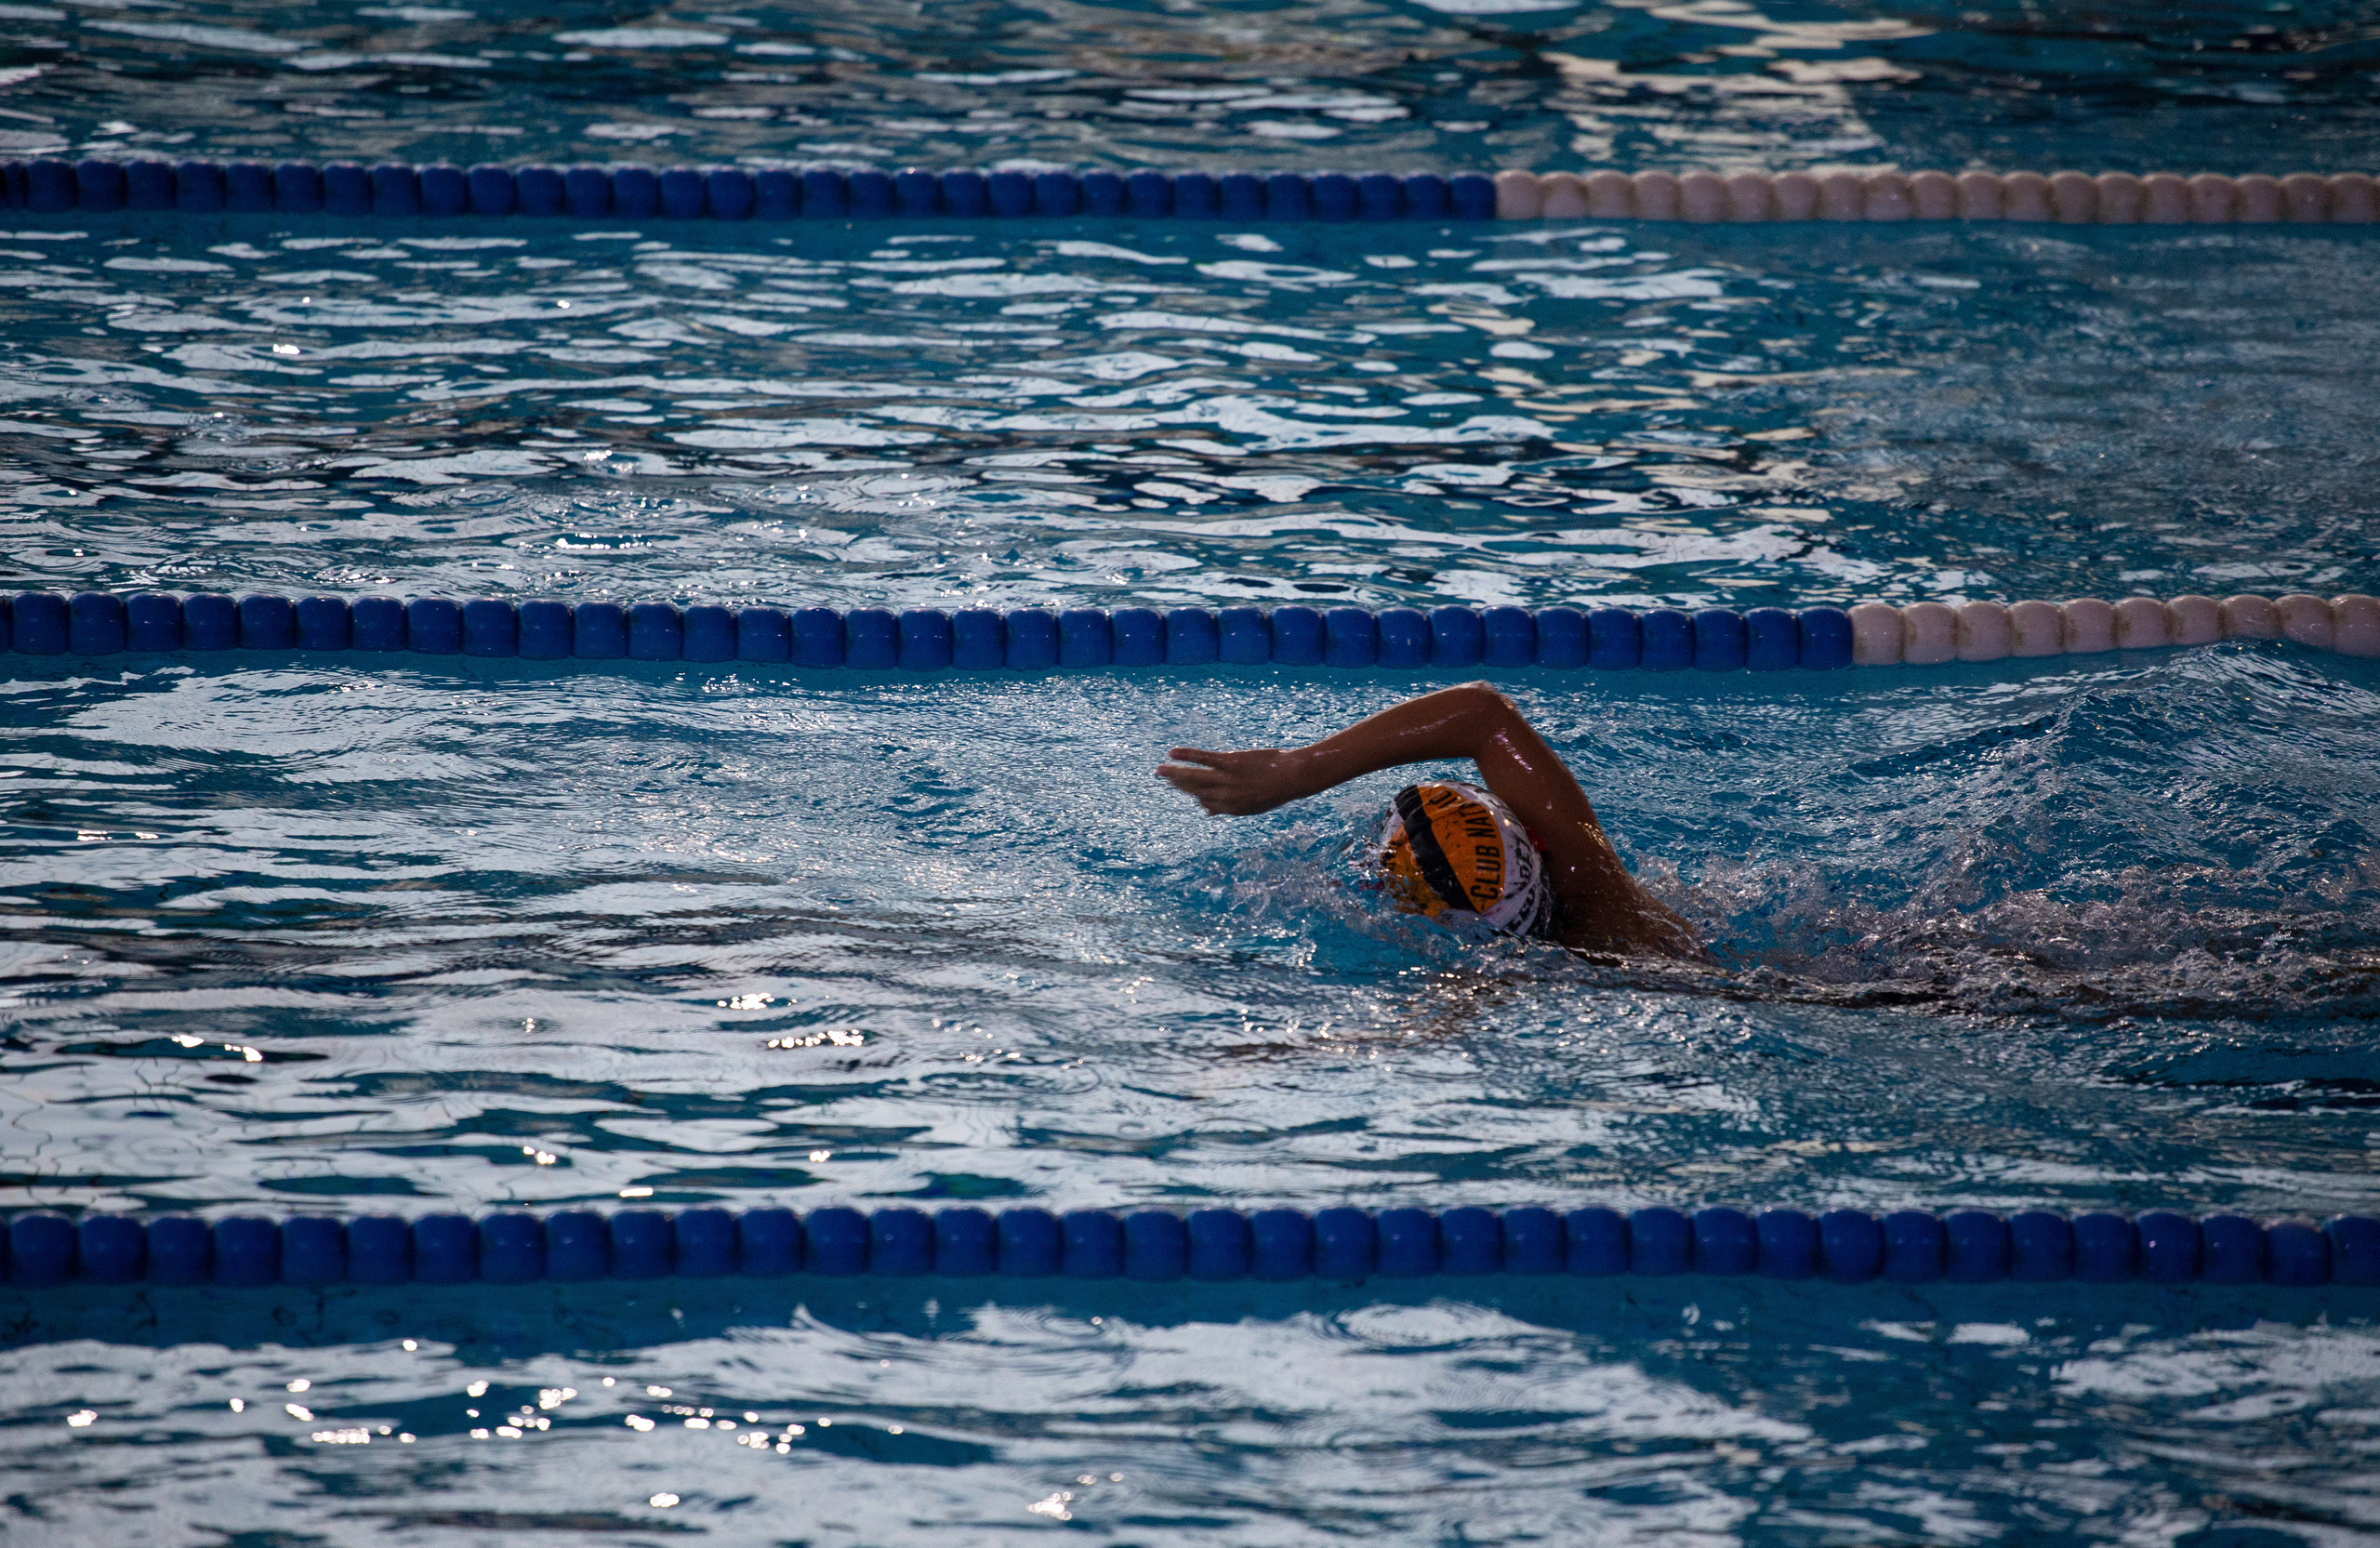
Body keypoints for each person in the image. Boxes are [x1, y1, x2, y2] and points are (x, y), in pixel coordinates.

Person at [1157, 682, 1702, 959]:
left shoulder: (1498, 974)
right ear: (1534, 842)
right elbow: (1482, 714)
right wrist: (1297, 769)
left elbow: (1409, 1037)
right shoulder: (1605, 897)